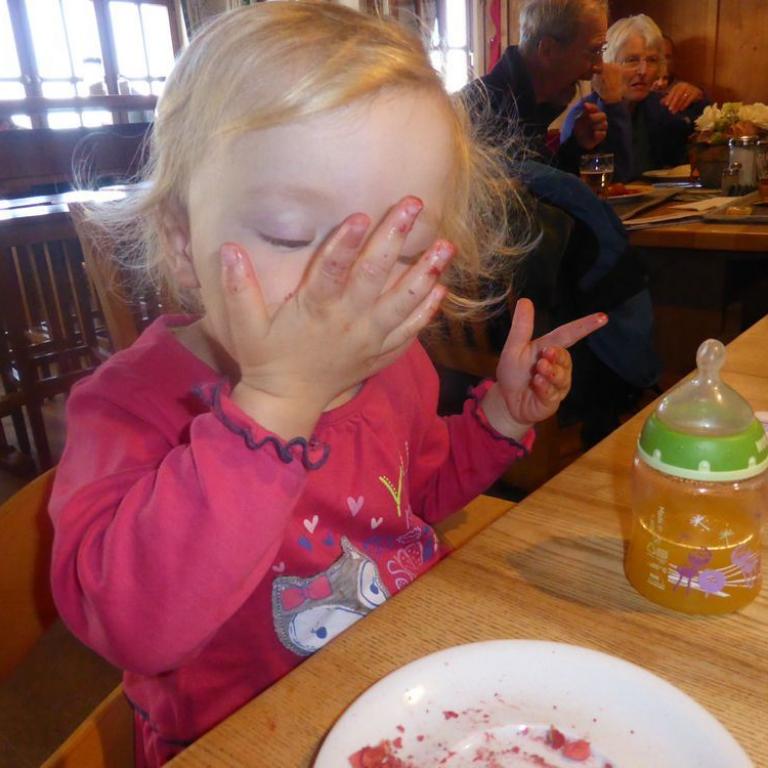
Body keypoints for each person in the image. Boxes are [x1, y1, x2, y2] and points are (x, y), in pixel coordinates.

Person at [47, 3, 606, 765]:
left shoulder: (392, 367)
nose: (340, 289)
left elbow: (414, 497)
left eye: (399, 253)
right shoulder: (129, 408)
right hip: (241, 739)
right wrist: (276, 405)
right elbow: (133, 625)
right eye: (289, 234)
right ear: (182, 242)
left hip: (402, 685)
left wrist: (502, 418)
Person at [463, 0, 627, 173]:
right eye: (594, 51)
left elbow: (543, 180)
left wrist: (577, 147)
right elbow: (529, 188)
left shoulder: (526, 105)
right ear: (547, 50)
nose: (599, 67)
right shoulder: (483, 114)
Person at [562, 14, 707, 180]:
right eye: (632, 60)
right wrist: (613, 104)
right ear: (607, 63)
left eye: (652, 60)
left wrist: (697, 97)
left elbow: (698, 135)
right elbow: (617, 176)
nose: (643, 71)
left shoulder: (655, 105)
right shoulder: (585, 114)